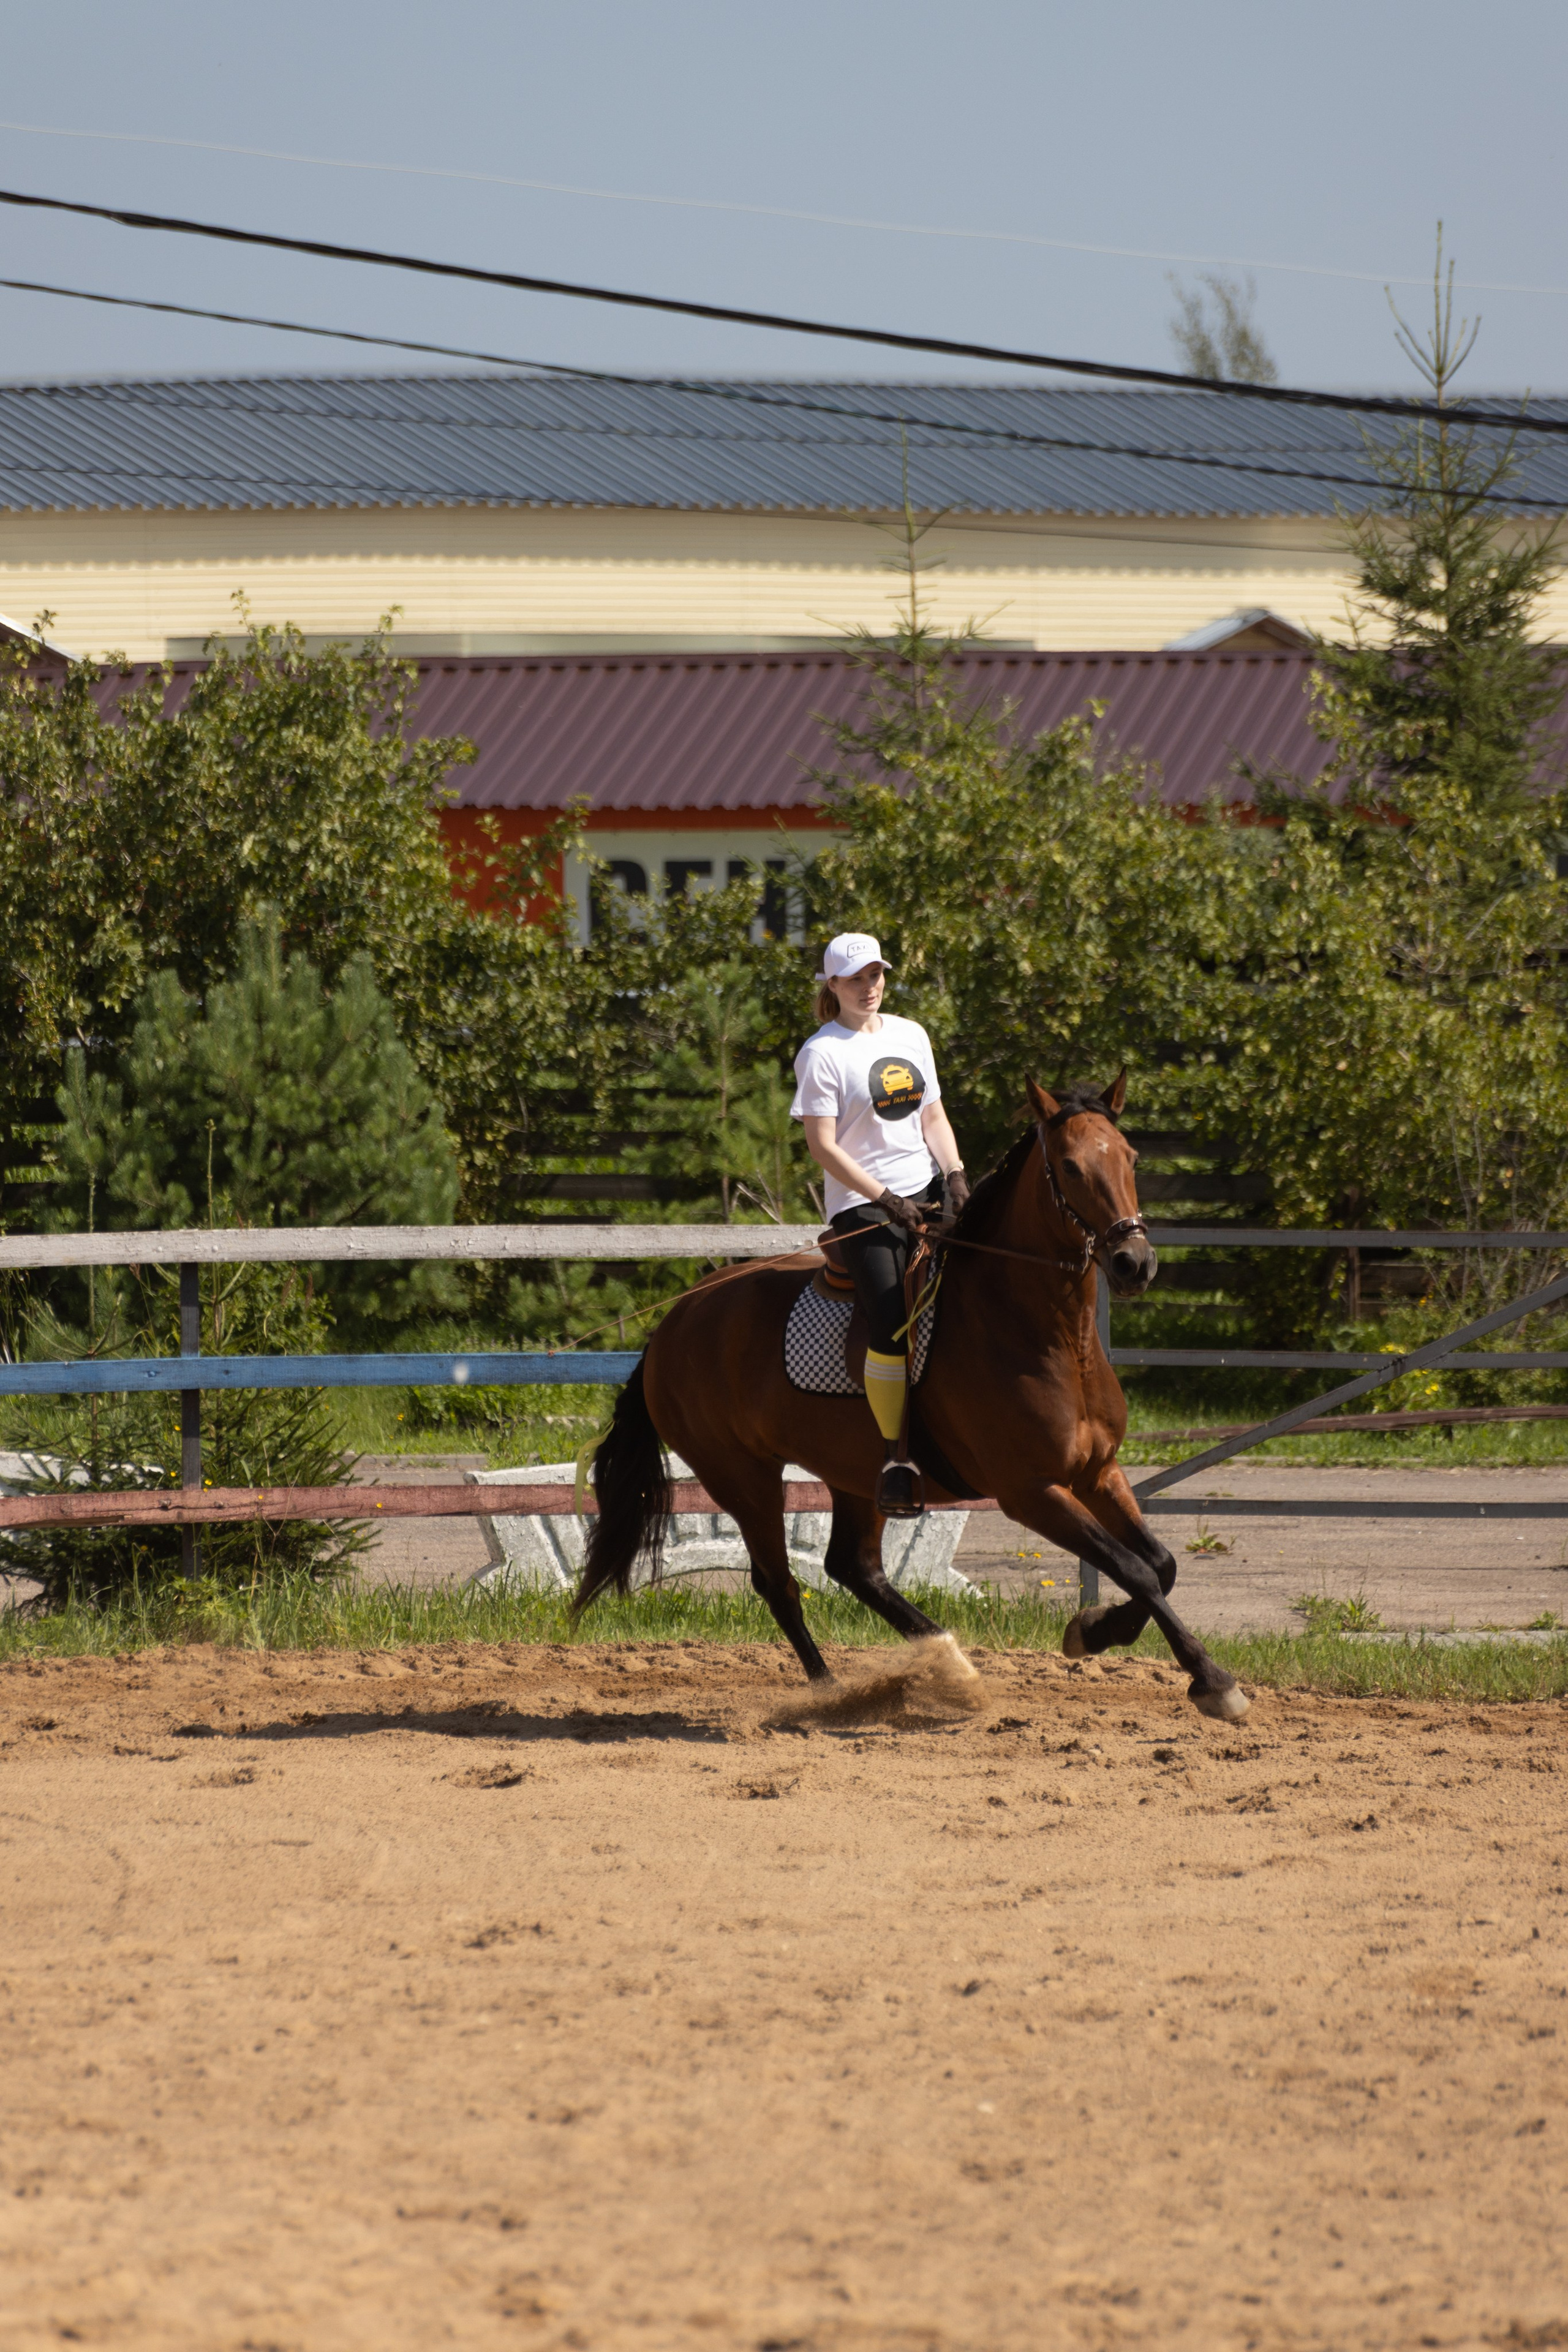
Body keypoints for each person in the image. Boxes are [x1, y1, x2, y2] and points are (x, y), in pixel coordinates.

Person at [790, 932, 970, 1517]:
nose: (869, 987)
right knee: (891, 1321)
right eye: (855, 978)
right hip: (862, 1205)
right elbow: (822, 1146)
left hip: (925, 1186)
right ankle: (897, 1458)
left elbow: (934, 1116)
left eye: (876, 975)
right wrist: (886, 1199)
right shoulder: (822, 1053)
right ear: (832, 986)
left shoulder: (911, 1034)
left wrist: (957, 1174)